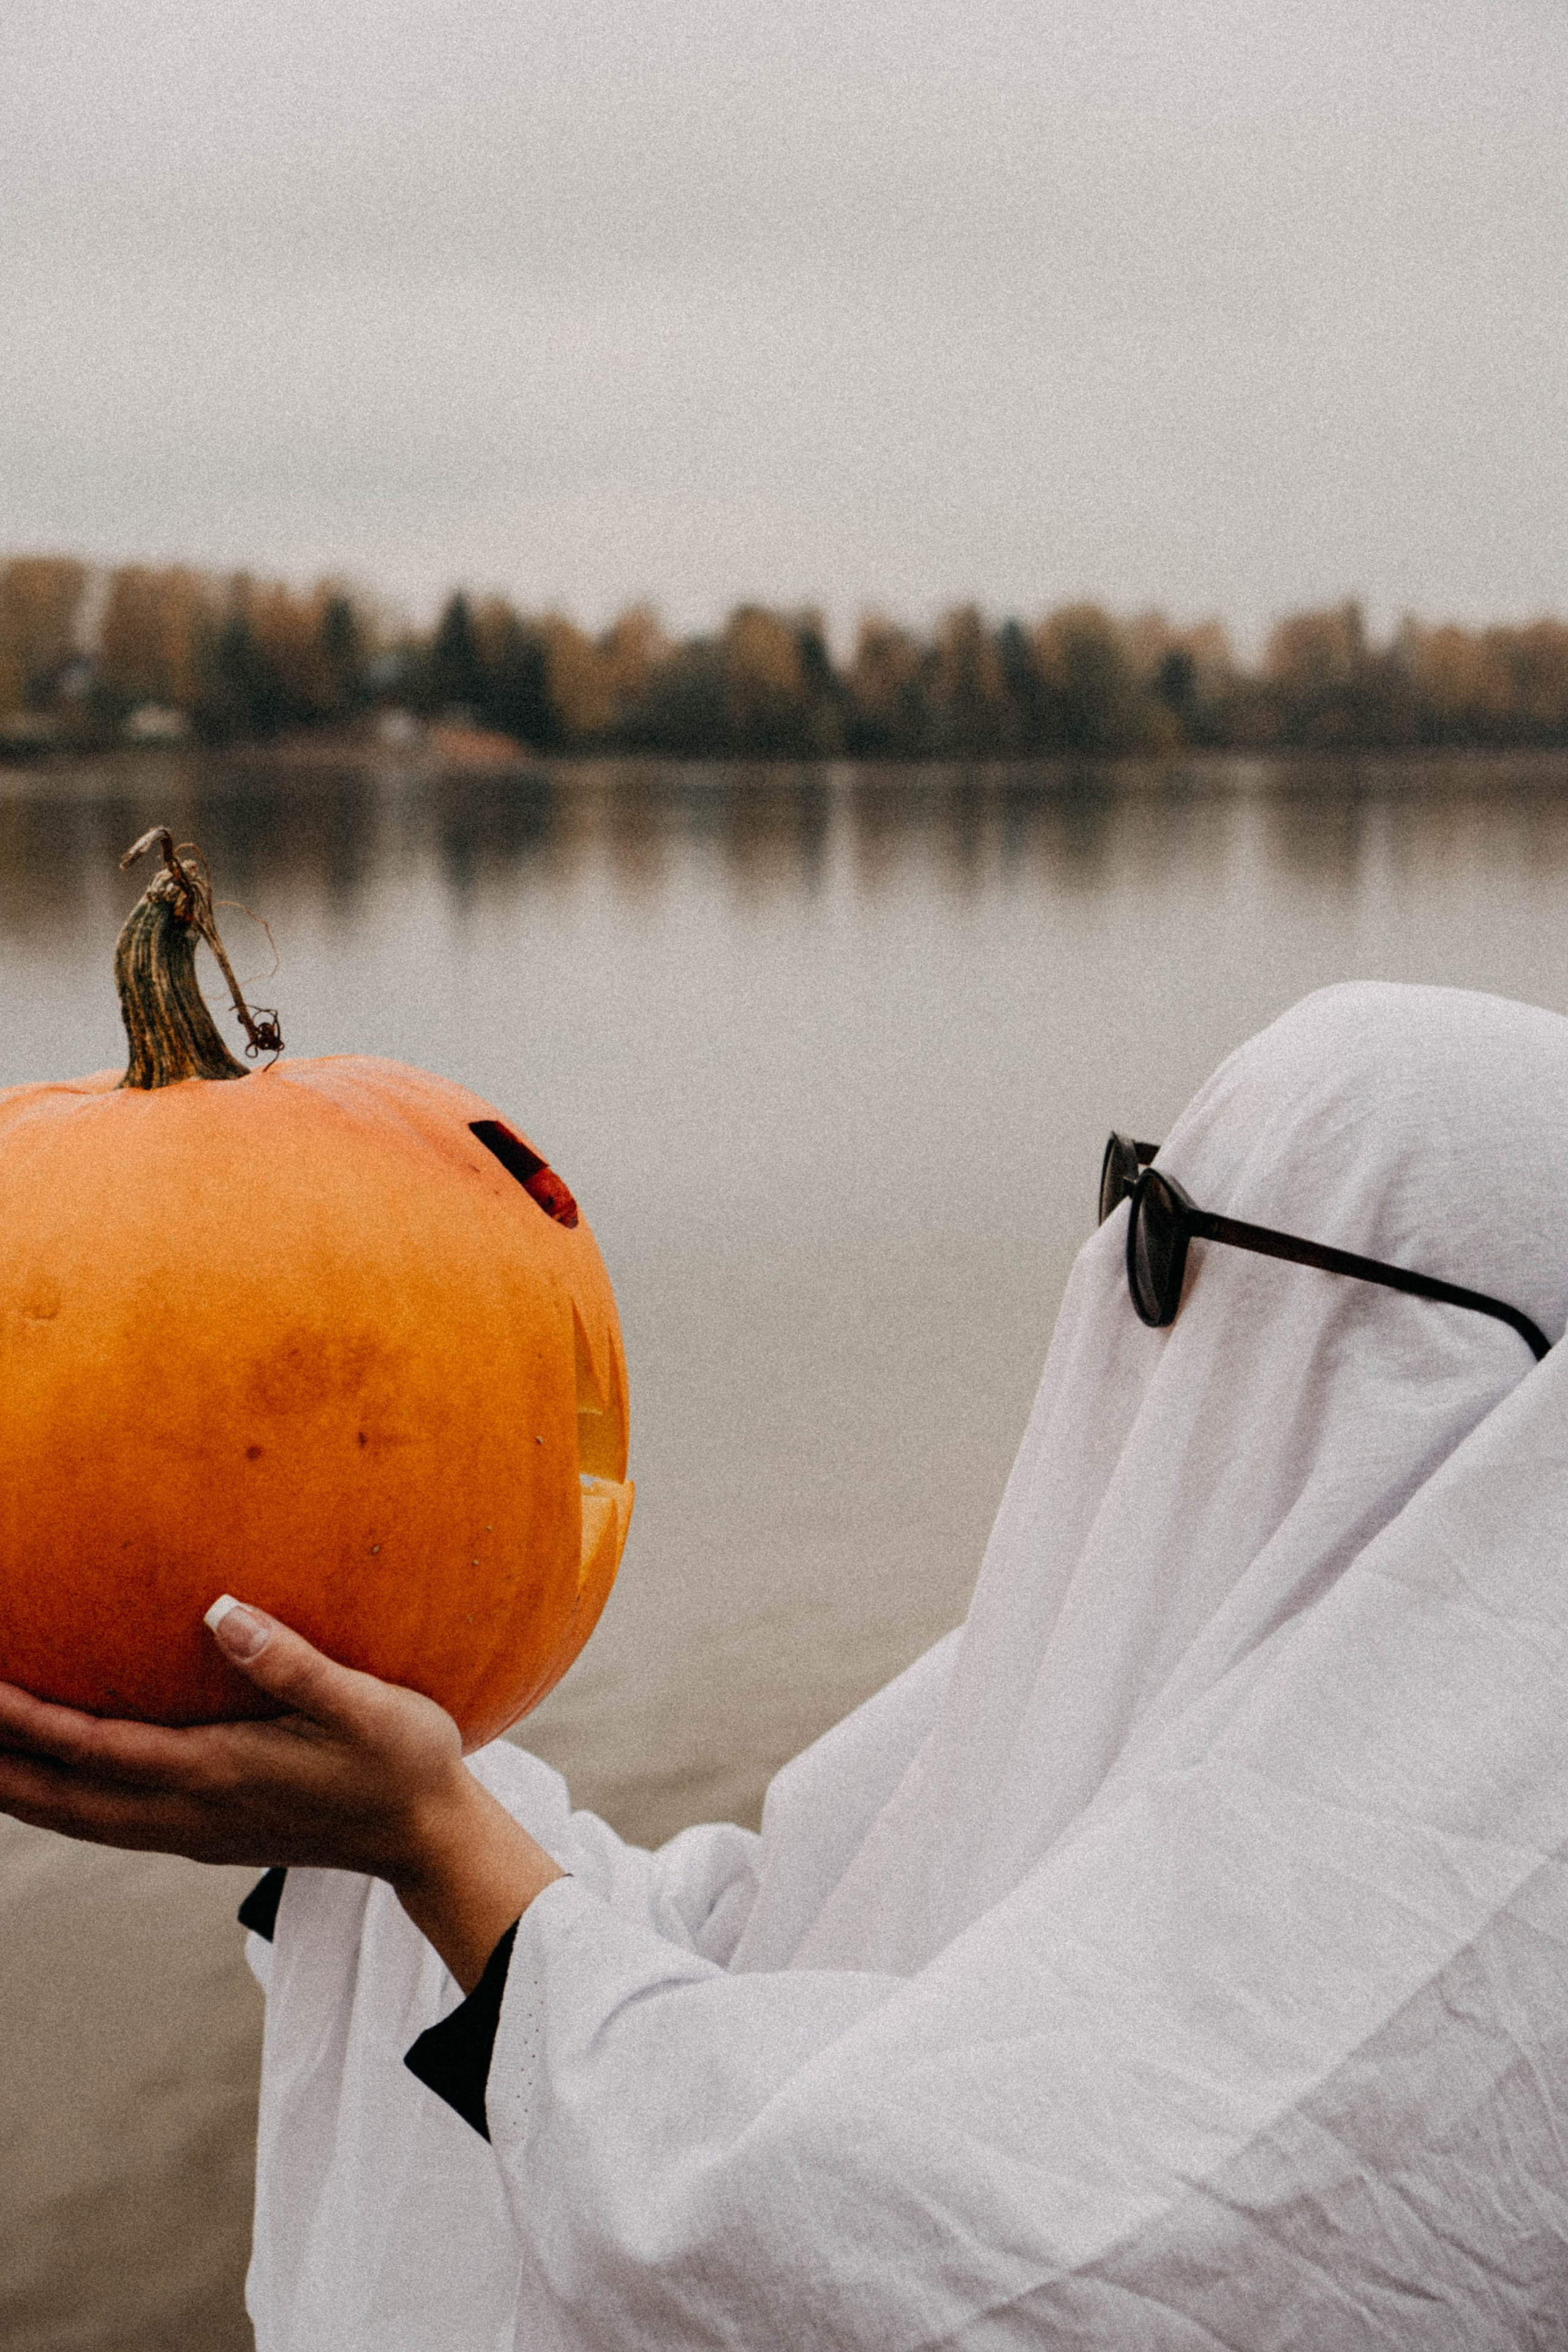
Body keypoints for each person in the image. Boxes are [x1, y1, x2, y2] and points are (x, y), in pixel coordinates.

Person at [4, 979, 1568, 2349]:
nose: (1120, 1292)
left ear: (1451, 1381)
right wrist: (392, 1803)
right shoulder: (1175, 1661)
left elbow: (919, 2262)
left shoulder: (1462, 1954)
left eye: (1168, 1240)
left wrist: (432, 1836)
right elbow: (784, 1955)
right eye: (1135, 1198)